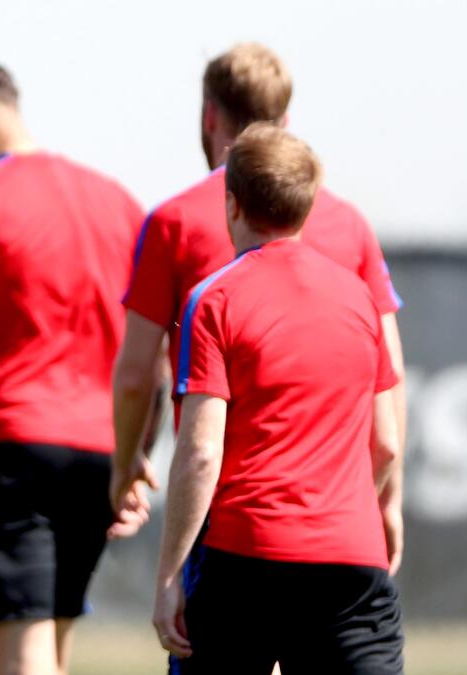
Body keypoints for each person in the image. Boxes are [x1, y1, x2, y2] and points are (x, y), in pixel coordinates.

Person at [111, 43, 406, 575]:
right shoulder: (348, 222)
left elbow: (136, 372)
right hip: (338, 522)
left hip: (229, 511)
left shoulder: (173, 221)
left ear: (209, 115)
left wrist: (126, 462)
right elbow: (391, 379)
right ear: (286, 119)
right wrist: (387, 498)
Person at [153, 123, 404, 673]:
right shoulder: (360, 297)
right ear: (306, 206)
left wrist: (171, 574)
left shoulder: (214, 297)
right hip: (351, 561)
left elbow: (200, 453)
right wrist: (367, 512)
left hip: (248, 559)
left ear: (232, 204)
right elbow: (385, 442)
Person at [0, 58, 146, 675]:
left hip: (13, 451)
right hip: (98, 455)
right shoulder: (119, 202)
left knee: (25, 662)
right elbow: (146, 354)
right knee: (53, 652)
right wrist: (133, 455)